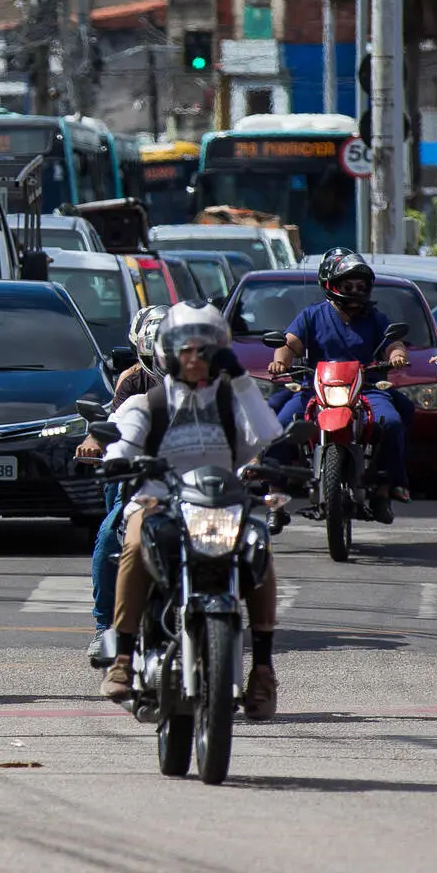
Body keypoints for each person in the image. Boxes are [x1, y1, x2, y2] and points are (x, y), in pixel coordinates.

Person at [101, 303, 284, 717]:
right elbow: (122, 445)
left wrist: (238, 376)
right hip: (159, 503)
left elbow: (268, 434)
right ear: (170, 352)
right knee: (133, 545)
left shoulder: (230, 402)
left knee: (261, 550)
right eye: (188, 349)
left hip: (220, 506)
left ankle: (263, 669)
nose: (197, 358)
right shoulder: (149, 404)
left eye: (208, 350)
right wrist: (119, 458)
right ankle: (123, 657)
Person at [264, 249, 412, 519]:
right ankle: (276, 498)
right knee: (282, 425)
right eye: (348, 285)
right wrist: (280, 362)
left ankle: (384, 491)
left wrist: (397, 355)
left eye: (361, 285)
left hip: (365, 389)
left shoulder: (376, 318)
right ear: (330, 285)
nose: (355, 291)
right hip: (316, 390)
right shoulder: (312, 316)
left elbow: (394, 343)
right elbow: (288, 345)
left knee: (390, 423)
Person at [76, 303, 169, 663]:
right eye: (164, 355)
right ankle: (105, 627)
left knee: (248, 539)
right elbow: (111, 429)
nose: (178, 364)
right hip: (147, 484)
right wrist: (93, 444)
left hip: (195, 488)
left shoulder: (216, 390)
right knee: (110, 535)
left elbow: (243, 433)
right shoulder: (134, 392)